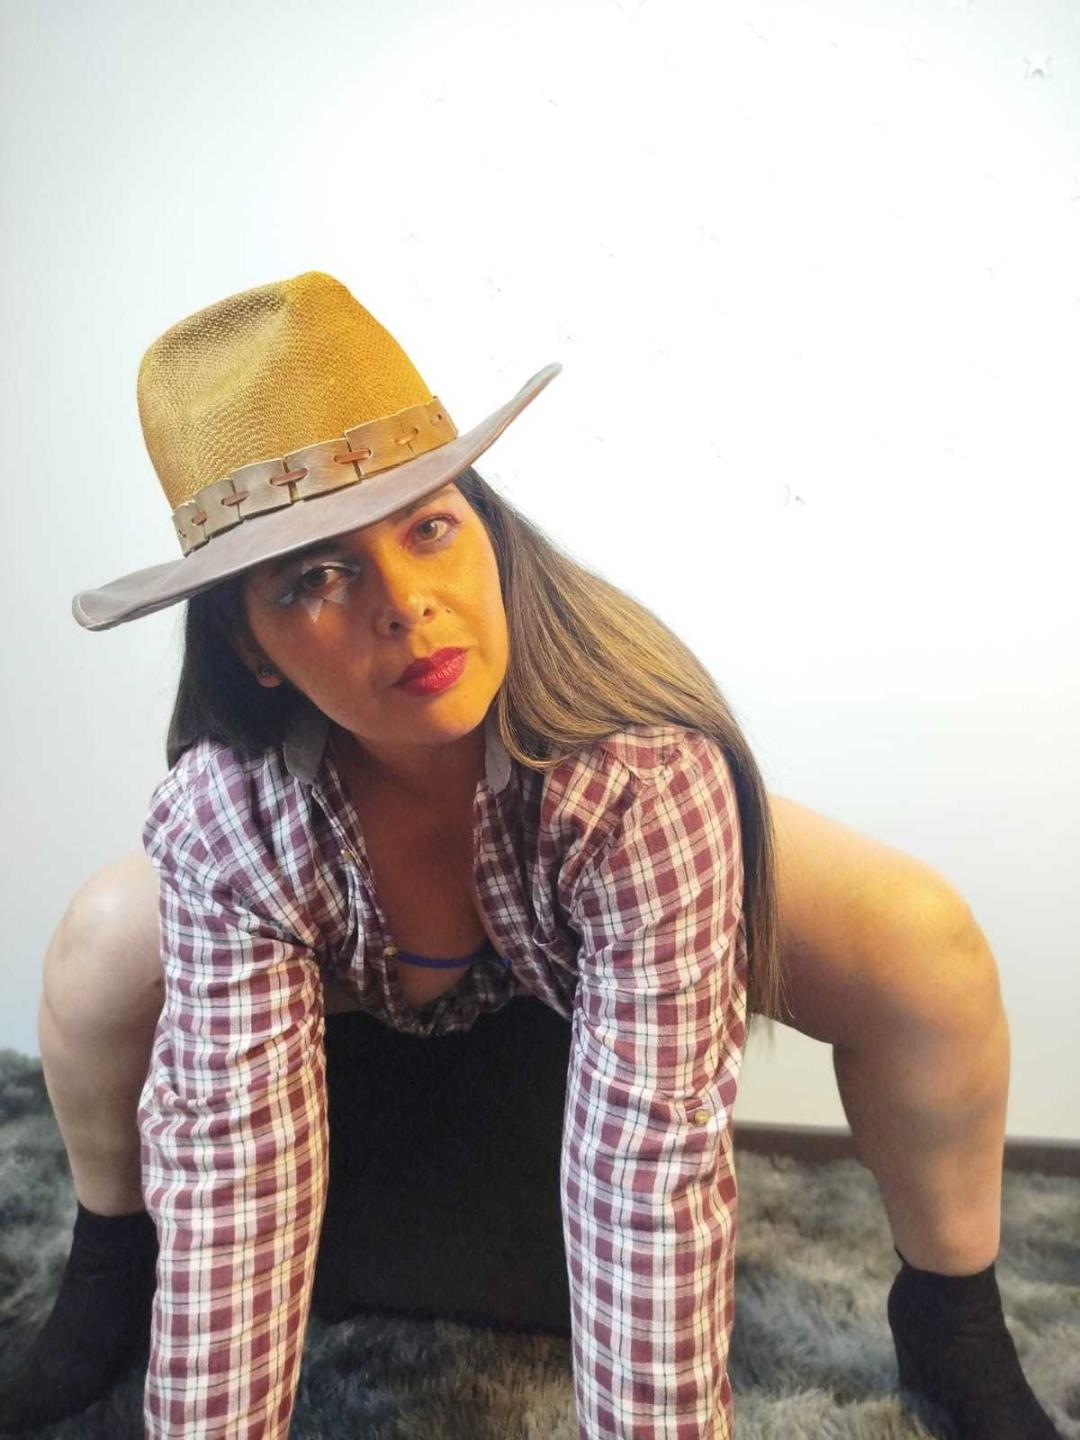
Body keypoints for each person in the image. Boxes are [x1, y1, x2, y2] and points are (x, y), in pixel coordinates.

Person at [0, 271, 1060, 1439]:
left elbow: (648, 1173)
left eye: (429, 528)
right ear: (249, 646)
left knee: (922, 940)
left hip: (588, 898)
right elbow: (234, 1167)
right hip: (351, 984)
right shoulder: (229, 816)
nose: (407, 604)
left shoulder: (638, 775)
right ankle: (109, 1273)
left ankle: (953, 1319)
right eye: (316, 577)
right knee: (102, 944)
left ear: (486, 527)